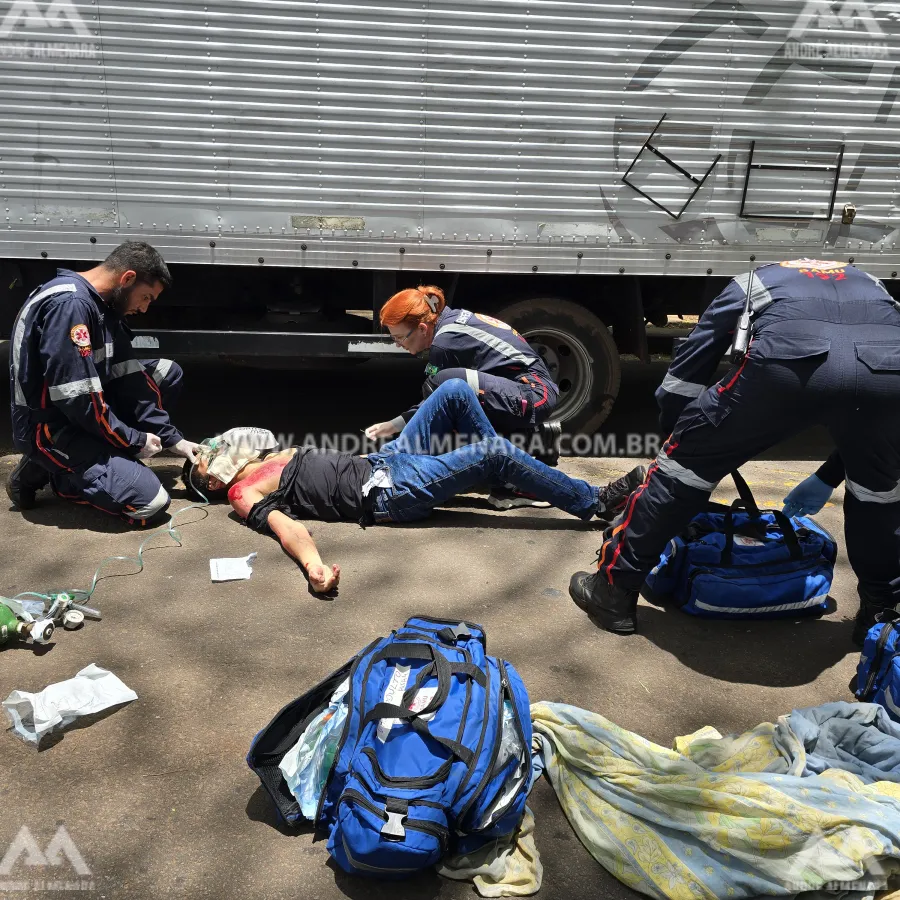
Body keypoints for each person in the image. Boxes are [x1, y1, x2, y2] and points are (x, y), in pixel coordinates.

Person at [568, 259, 900, 644]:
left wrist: (679, 436)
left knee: (678, 474)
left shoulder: (755, 279)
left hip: (784, 366)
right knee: (878, 493)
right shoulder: (873, 282)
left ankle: (613, 590)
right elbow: (861, 387)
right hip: (889, 373)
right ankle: (881, 621)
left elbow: (693, 361)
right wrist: (830, 476)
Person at [186, 379, 646, 594]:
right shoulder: (239, 494)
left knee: (454, 393)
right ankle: (596, 502)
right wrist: (315, 569)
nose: (209, 453)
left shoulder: (261, 455)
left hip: (385, 462)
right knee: (494, 453)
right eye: (202, 462)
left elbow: (249, 435)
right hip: (388, 494)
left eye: (208, 451)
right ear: (207, 480)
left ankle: (501, 475)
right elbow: (290, 530)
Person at [6, 242, 199, 525]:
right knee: (150, 504)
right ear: (127, 278)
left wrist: (173, 439)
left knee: (166, 373)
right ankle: (61, 477)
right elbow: (79, 399)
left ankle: (89, 462)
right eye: (145, 297)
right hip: (49, 427)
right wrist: (133, 441)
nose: (144, 308)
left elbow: (130, 379)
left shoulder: (104, 306)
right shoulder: (70, 307)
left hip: (80, 413)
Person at [364, 286, 562, 508]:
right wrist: (394, 424)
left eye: (400, 337)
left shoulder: (444, 343)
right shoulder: (450, 320)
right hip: (528, 390)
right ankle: (536, 438)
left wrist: (394, 428)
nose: (398, 344)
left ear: (421, 328)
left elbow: (434, 404)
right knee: (457, 399)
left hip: (533, 394)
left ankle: (512, 485)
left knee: (440, 386)